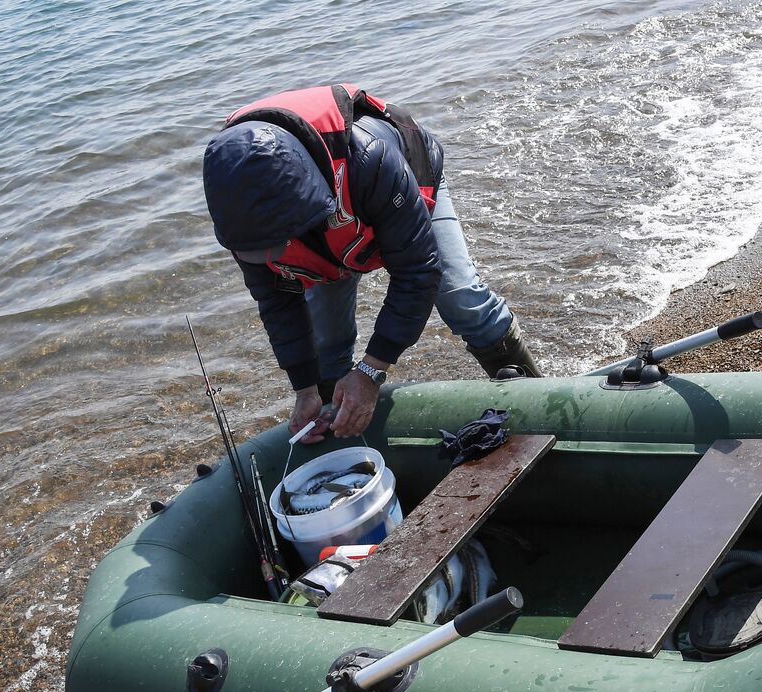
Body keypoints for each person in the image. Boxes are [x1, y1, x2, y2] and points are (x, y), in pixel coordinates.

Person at [202, 84, 542, 444]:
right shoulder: (241, 208)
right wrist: (303, 388)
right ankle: (346, 443)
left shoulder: (369, 156)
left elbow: (418, 271)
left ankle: (538, 401)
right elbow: (276, 301)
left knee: (461, 299)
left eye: (283, 241)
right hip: (329, 230)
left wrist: (371, 370)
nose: (276, 254)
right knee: (325, 349)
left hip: (403, 185)